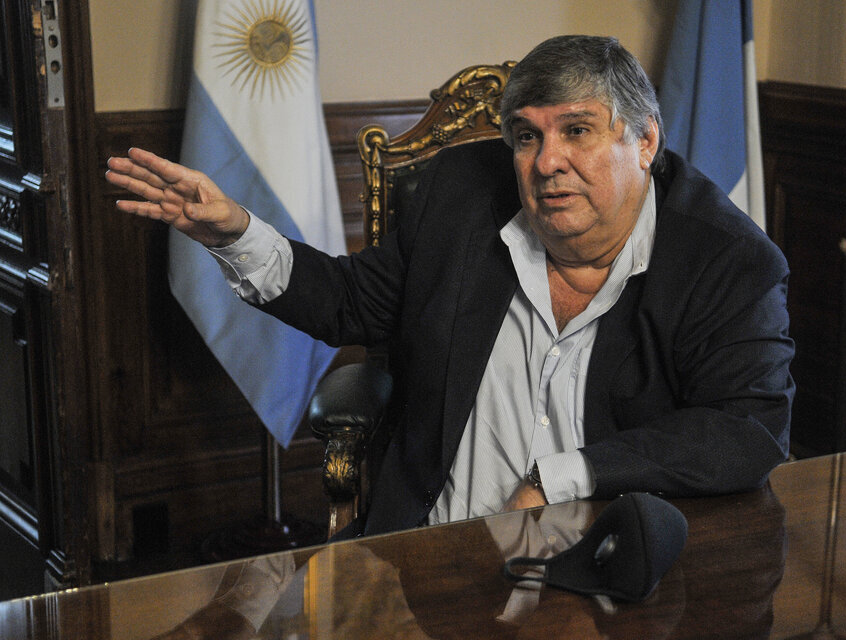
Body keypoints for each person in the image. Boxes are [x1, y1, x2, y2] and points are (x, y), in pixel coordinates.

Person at [105, 35, 794, 537]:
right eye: (526, 137)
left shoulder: (726, 260)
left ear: (644, 142)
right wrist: (234, 231)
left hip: (603, 564)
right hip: (432, 551)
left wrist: (562, 477)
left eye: (577, 131)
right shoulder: (458, 197)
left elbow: (748, 427)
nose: (547, 162)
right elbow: (349, 303)